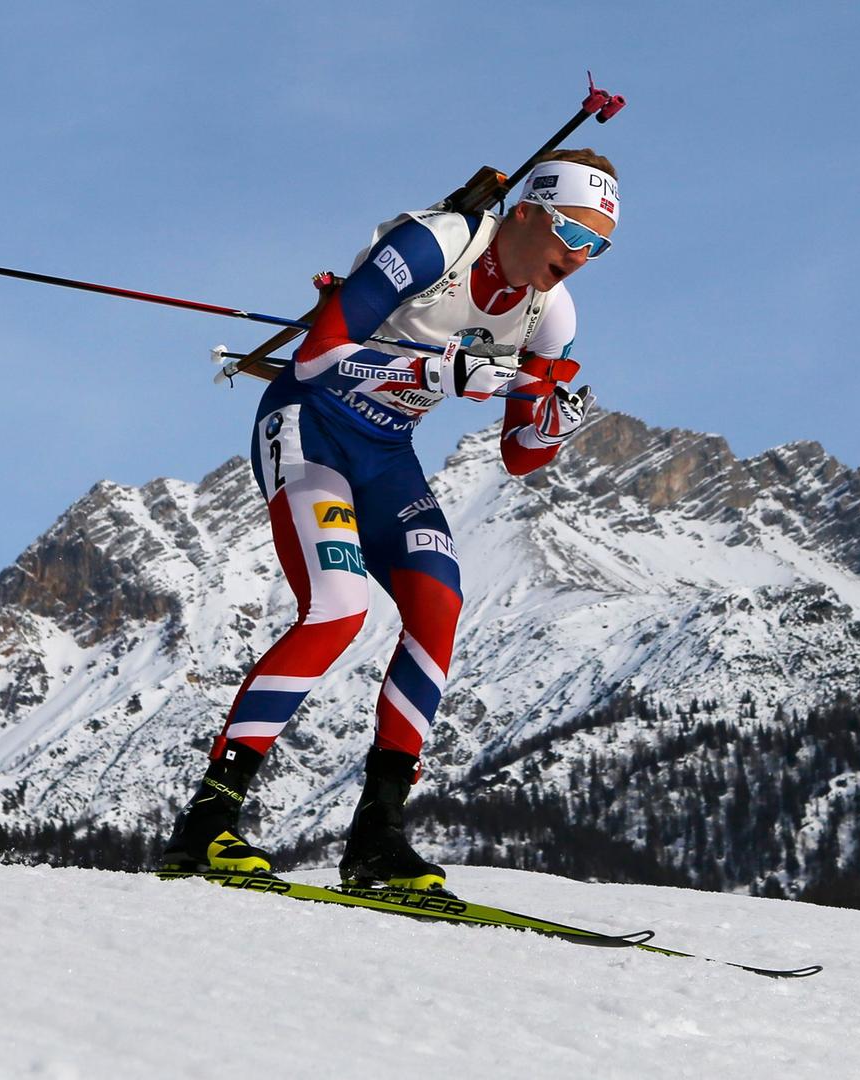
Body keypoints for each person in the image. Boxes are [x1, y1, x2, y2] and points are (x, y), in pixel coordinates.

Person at [160, 150, 620, 890]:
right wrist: (434, 370)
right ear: (527, 211)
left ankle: (377, 837)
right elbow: (313, 359)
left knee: (437, 604)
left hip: (383, 454)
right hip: (311, 426)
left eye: (599, 245)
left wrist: (552, 425)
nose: (579, 256)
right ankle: (206, 824)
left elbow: (519, 456)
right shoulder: (438, 243)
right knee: (339, 608)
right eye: (571, 231)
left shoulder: (551, 314)